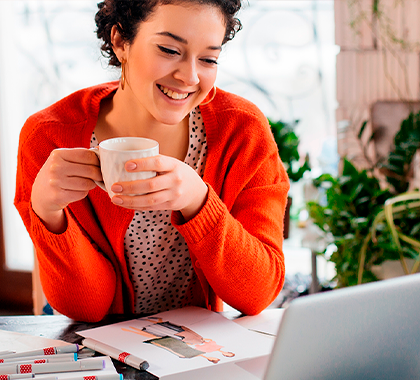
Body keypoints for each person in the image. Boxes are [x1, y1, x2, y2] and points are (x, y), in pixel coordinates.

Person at [14, 0, 290, 323]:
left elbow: (258, 292)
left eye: (208, 59)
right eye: (170, 50)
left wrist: (197, 200)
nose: (189, 77)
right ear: (120, 42)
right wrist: (48, 215)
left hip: (198, 361)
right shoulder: (50, 138)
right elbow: (87, 307)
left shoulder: (243, 132)